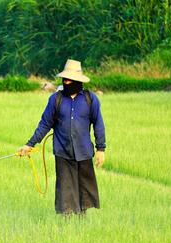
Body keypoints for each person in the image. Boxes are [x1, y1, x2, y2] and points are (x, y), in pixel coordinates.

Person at [18, 59, 106, 215]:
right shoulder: (55, 99)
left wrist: (101, 149)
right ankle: (67, 221)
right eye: (64, 79)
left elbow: (98, 124)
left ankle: (81, 221)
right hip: (62, 152)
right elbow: (44, 124)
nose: (67, 82)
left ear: (78, 81)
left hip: (84, 151)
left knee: (84, 189)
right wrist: (29, 144)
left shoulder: (90, 99)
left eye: (70, 79)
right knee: (65, 190)